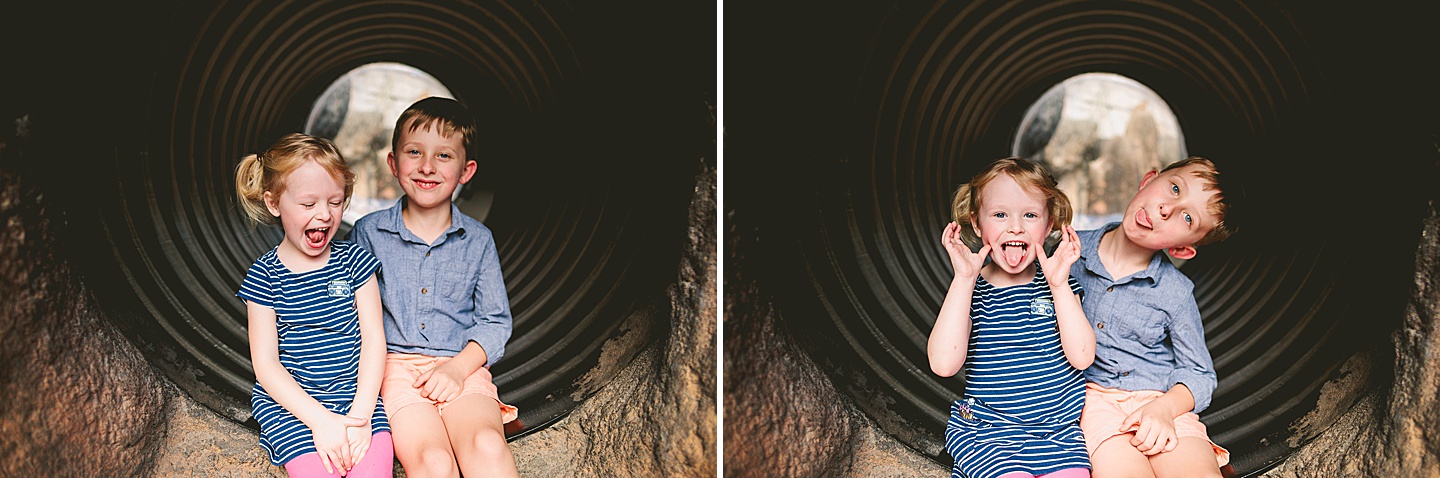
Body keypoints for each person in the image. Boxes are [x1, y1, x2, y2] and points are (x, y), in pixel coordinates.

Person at [349, 96, 519, 478]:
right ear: (393, 163)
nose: (427, 166)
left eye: (444, 156)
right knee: (434, 462)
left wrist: (458, 369)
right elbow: (350, 316)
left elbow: (495, 322)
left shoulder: (477, 240)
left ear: (466, 170)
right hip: (393, 370)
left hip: (460, 366)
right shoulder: (369, 233)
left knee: (487, 445)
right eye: (414, 152)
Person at [234, 133, 392, 477]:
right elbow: (266, 366)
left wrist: (361, 417)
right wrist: (320, 421)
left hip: (356, 399)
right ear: (274, 203)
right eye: (308, 204)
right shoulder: (264, 277)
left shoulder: (355, 263)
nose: (324, 214)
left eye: (335, 202)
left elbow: (374, 341)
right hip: (294, 410)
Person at [928, 157, 1097, 478]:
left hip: (1058, 433)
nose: (1015, 226)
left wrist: (1059, 285)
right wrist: (963, 279)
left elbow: (1083, 357)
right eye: (1000, 214)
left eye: (1030, 215)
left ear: (1049, 226)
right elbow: (943, 365)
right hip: (988, 431)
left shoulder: (1060, 283)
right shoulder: (971, 290)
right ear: (976, 223)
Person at [1070, 157, 1237, 478]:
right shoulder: (1067, 252)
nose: (1167, 209)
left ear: (1183, 249)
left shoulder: (1175, 291)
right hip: (1092, 402)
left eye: (1187, 217)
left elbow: (1200, 372)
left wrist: (1163, 409)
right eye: (1174, 188)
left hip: (1159, 399)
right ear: (1148, 179)